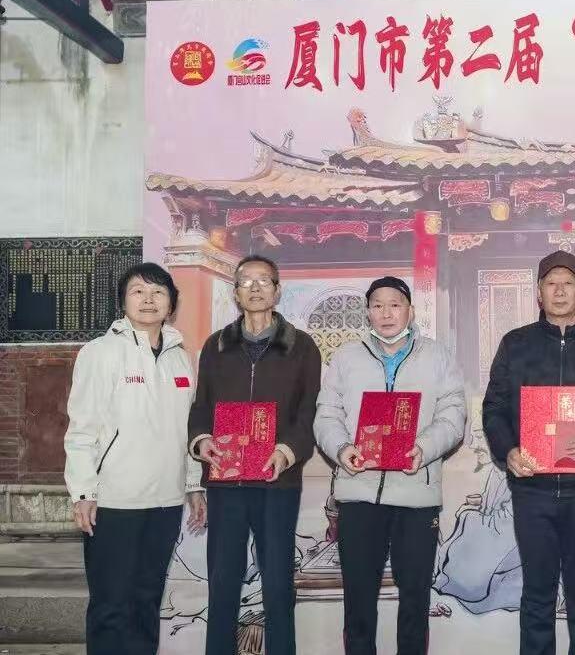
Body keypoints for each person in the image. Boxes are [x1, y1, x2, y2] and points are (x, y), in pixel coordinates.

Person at [482, 250, 575, 655]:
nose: (560, 290)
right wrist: (508, 450)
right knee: (537, 596)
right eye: (551, 283)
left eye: (569, 283)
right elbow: (494, 407)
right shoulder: (515, 344)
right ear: (539, 292)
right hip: (532, 490)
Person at [315, 276, 466, 655]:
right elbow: (326, 414)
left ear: (410, 311)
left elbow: (453, 414)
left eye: (395, 304)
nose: (386, 313)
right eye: (377, 305)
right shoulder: (346, 358)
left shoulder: (437, 356)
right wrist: (342, 449)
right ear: (367, 312)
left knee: (415, 598)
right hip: (358, 491)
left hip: (416, 496)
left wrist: (424, 449)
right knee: (358, 599)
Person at [64, 262, 206, 655]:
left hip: (165, 501)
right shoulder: (100, 353)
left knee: (147, 602)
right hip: (114, 501)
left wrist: (193, 484)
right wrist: (83, 492)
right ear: (123, 301)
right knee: (111, 605)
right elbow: (81, 429)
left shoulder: (180, 357)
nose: (148, 299)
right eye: (138, 291)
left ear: (171, 304)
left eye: (158, 292)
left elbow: (186, 429)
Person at [188, 254, 322, 655]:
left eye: (264, 280)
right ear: (236, 293)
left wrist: (287, 450)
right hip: (225, 481)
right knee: (223, 580)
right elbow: (201, 406)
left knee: (278, 581)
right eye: (246, 281)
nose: (256, 288)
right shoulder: (216, 346)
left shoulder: (302, 347)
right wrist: (202, 440)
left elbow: (309, 411)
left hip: (277, 481)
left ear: (278, 291)